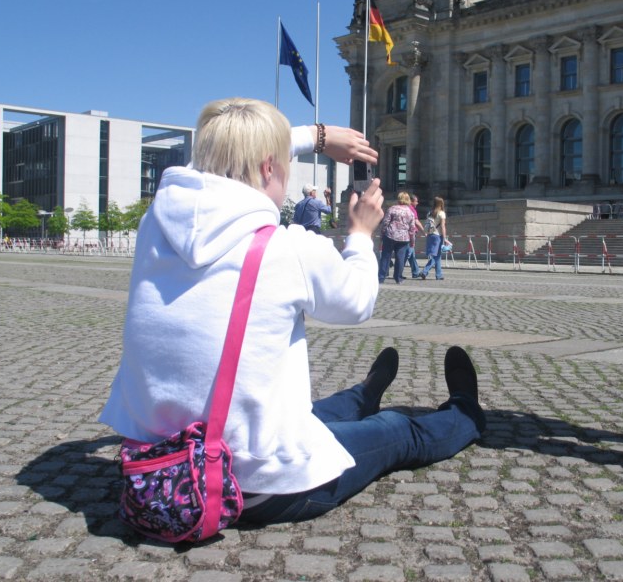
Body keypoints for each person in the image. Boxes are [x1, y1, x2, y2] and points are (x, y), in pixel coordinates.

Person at [98, 97, 485, 526]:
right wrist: (360, 234)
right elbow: (357, 302)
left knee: (310, 416)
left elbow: (205, 159)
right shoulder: (289, 247)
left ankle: (361, 397)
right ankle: (466, 413)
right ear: (269, 167)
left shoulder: (155, 223)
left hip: (156, 464)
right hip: (256, 488)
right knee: (397, 430)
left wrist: (313, 138)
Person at [378, 192, 416, 284]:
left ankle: (381, 277)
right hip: (404, 238)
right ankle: (398, 278)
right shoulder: (410, 212)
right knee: (400, 258)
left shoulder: (392, 209)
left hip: (390, 235)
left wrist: (382, 234)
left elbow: (385, 223)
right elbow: (412, 228)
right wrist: (412, 241)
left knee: (385, 256)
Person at [419, 196, 447, 281]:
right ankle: (424, 271)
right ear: (441, 204)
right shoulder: (441, 213)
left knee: (437, 255)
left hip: (430, 235)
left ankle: (439, 275)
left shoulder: (430, 213)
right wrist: (445, 238)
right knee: (436, 257)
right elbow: (442, 226)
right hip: (437, 235)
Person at [405, 194, 425, 279]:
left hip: (407, 233)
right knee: (408, 253)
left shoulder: (406, 208)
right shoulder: (412, 209)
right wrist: (424, 232)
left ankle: (416, 272)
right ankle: (398, 271)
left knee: (411, 255)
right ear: (411, 201)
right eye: (416, 201)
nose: (417, 203)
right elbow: (416, 222)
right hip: (411, 234)